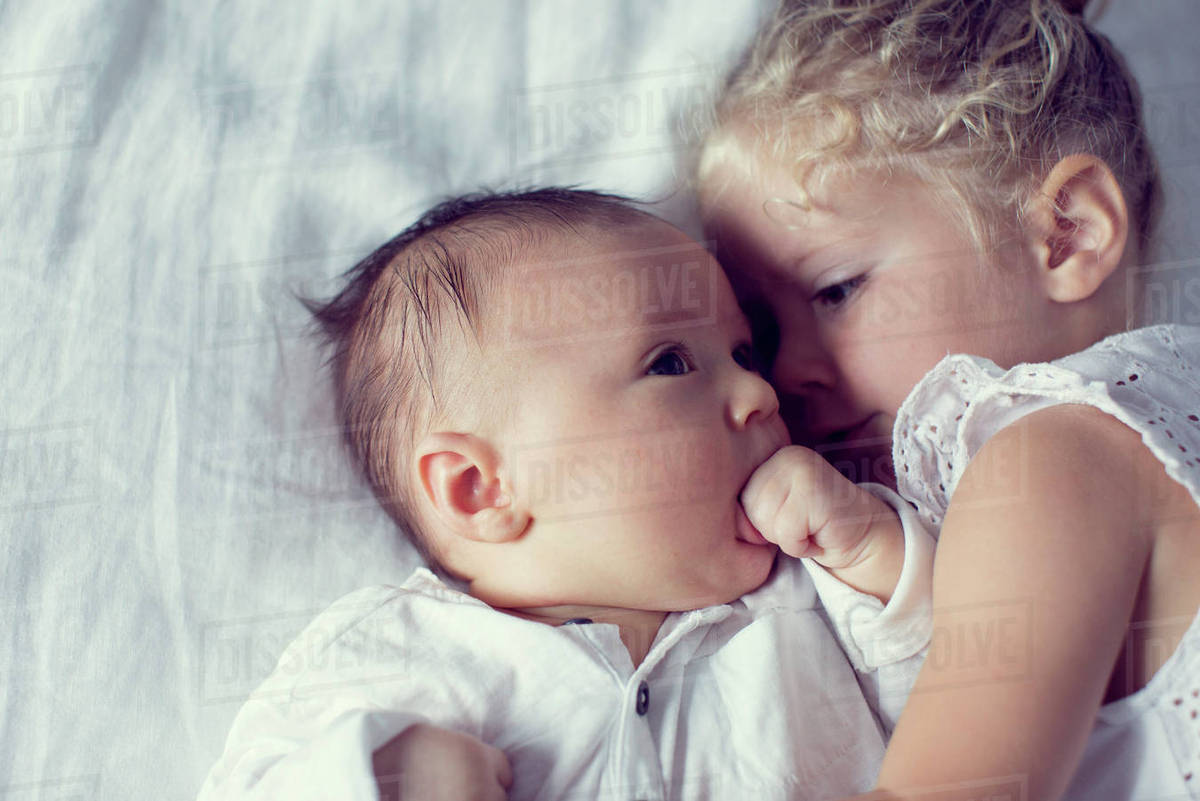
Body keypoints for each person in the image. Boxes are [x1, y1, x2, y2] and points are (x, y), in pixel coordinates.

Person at [195, 188, 935, 801]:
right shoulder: (406, 653)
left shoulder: (809, 591)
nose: (757, 391)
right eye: (671, 362)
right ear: (480, 488)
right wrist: (388, 774)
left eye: (743, 352)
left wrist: (875, 549)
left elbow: (960, 701)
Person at [696, 1, 1200, 799]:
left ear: (1067, 233)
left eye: (836, 289)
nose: (784, 372)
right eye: (759, 330)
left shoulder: (1051, 455)